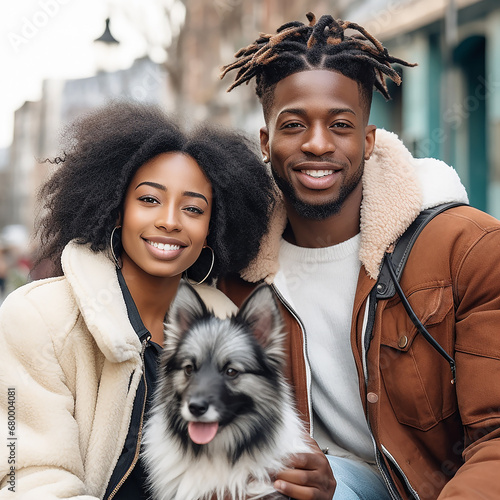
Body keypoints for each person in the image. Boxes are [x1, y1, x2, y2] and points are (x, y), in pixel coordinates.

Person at [219, 12, 500, 500]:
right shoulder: (235, 275)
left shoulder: (467, 248)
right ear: (265, 143)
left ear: (367, 141)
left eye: (340, 124)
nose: (317, 144)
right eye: (294, 124)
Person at [0, 101, 275, 498]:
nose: (170, 220)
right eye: (149, 200)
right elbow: (26, 478)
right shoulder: (36, 317)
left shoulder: (226, 321)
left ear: (212, 228)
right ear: (116, 210)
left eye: (194, 208)